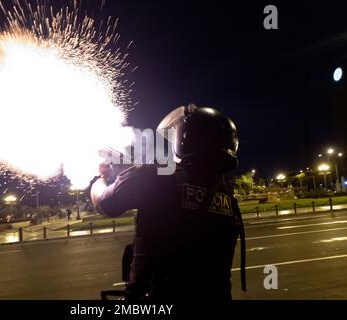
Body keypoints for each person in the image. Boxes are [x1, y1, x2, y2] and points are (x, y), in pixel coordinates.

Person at [91, 104, 246, 302]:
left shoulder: (156, 177)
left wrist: (100, 180)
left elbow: (106, 204)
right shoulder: (227, 195)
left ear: (184, 139)